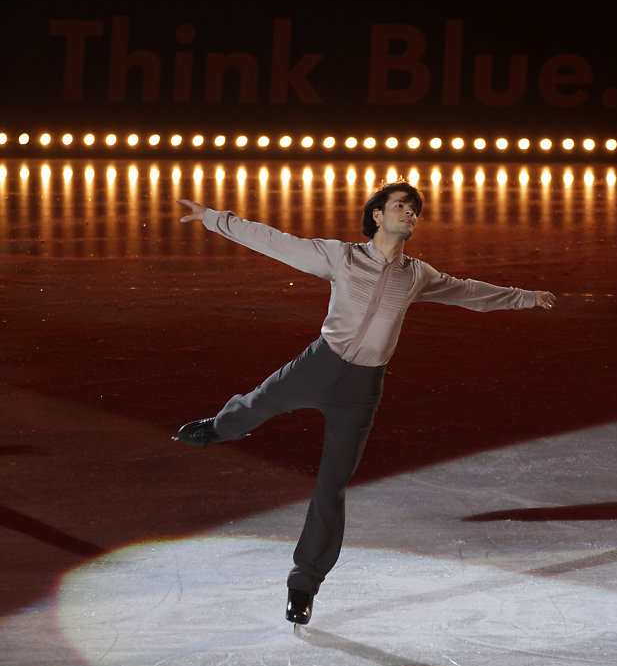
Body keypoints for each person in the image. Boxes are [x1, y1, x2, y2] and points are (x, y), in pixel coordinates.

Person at [174, 183, 555, 625]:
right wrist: (212, 218)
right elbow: (276, 242)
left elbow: (468, 292)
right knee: (257, 404)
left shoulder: (417, 274)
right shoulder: (342, 256)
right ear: (377, 214)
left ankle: (304, 583)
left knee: (331, 487)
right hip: (318, 365)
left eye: (414, 210)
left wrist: (524, 296)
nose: (410, 214)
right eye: (400, 207)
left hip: (360, 390)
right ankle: (220, 428)